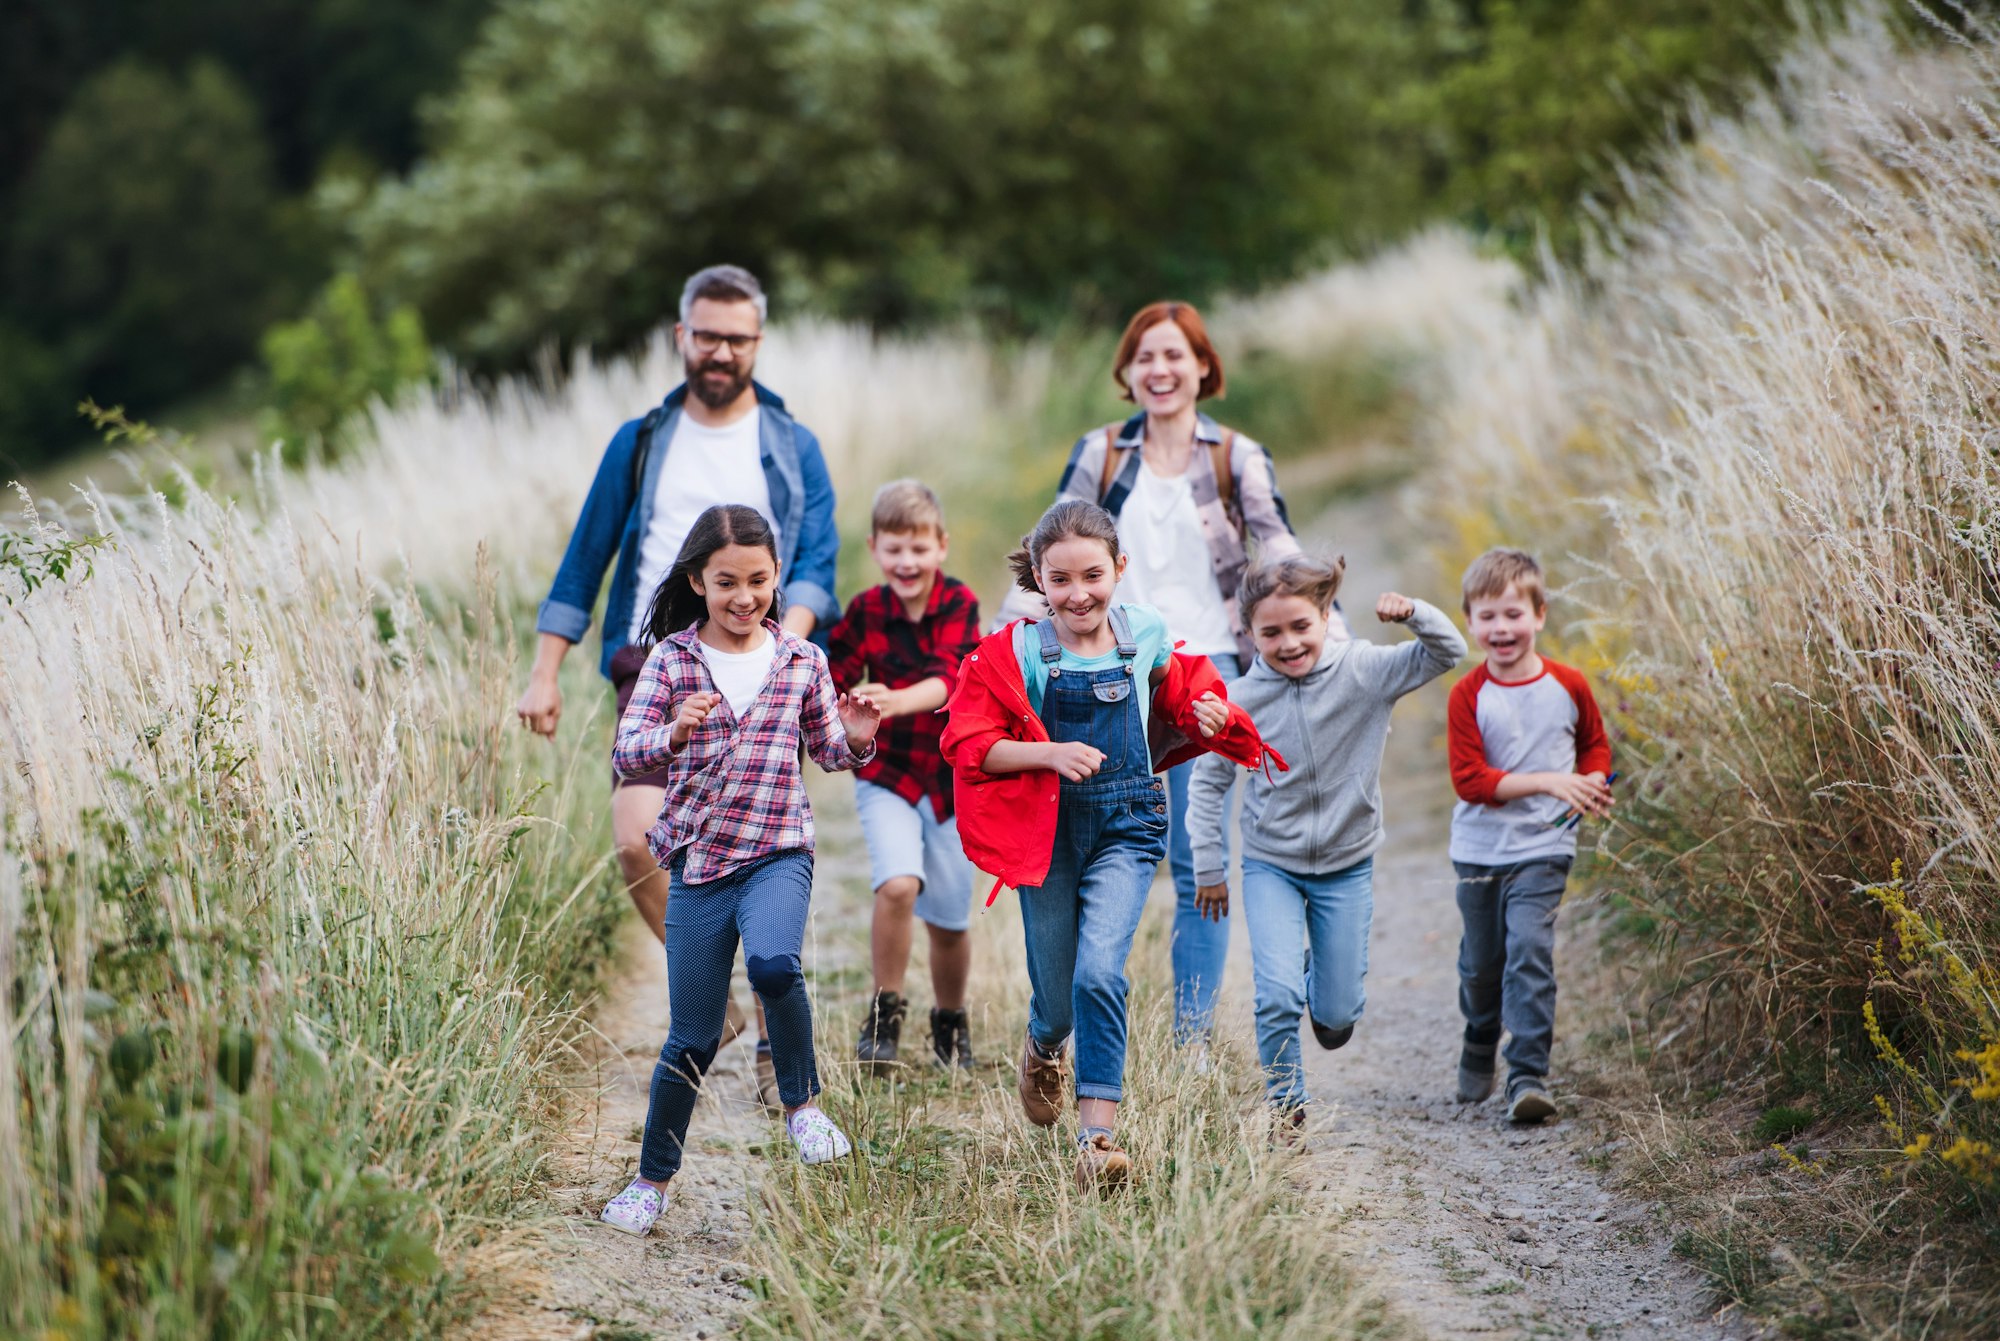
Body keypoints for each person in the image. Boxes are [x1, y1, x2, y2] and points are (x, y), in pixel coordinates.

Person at [515, 264, 840, 1108]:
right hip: (652, 662)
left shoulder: (792, 445)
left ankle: (776, 1034)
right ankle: (716, 1003)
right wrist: (545, 670)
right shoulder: (643, 439)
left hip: (765, 672)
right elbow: (586, 557)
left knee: (761, 847)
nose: (722, 351)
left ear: (757, 341)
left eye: (738, 337)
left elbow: (815, 569)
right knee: (637, 840)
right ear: (681, 337)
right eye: (708, 335)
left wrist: (777, 658)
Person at [942, 500, 1283, 1192]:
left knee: (1101, 969)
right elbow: (967, 743)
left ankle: (1097, 1134)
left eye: (1093, 575)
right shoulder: (1015, 652)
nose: (1078, 594)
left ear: (1119, 569)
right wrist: (1046, 754)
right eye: (1060, 579)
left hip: (1128, 823)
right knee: (1058, 995)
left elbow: (1183, 691)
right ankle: (1043, 1044)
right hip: (1048, 833)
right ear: (1038, 577)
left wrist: (1206, 710)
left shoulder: (1146, 633)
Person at [1000, 301, 1301, 1052]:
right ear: (1127, 374)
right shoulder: (1100, 454)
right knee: (1087, 833)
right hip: (1109, 671)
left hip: (1208, 673)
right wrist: (1005, 642)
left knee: (1199, 850)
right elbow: (1049, 545)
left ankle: (1192, 1039)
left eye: (1175, 356)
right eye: (1145, 358)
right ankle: (1073, 1002)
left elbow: (1279, 548)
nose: (1160, 370)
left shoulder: (1238, 456)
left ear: (1203, 366)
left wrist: (1332, 644)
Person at [598, 505, 879, 1236]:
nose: (745, 596)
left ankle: (803, 1107)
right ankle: (650, 1182)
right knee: (689, 1037)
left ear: (776, 577)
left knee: (777, 964)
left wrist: (857, 738)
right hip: (699, 862)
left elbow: (829, 752)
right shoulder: (671, 660)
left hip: (778, 849)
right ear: (698, 580)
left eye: (759, 580)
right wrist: (674, 729)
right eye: (727, 582)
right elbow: (628, 753)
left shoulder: (800, 659)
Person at [1185, 556, 1463, 1138]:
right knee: (1275, 995)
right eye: (1271, 633)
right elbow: (1208, 785)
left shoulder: (1363, 671)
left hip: (1346, 864)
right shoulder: (1237, 701)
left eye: (1300, 627)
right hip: (1270, 866)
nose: (1288, 643)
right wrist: (1208, 866)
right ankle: (1286, 1106)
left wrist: (1415, 614)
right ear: (1248, 634)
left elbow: (1447, 653)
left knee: (1336, 1016)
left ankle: (1321, 986)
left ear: (1326, 615)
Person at [1446, 548, 1613, 1124]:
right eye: (1487, 616)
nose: (1501, 628)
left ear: (1540, 615)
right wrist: (1551, 780)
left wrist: (1591, 779)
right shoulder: (1468, 695)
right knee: (1481, 966)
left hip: (1545, 845)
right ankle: (1480, 1031)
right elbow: (1470, 781)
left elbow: (1594, 744)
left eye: (1513, 614)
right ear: (1469, 622)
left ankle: (1527, 1075)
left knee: (1529, 954)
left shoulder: (1568, 684)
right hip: (1478, 851)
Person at [826, 480, 983, 1072]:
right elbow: (833, 673)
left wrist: (891, 699)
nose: (907, 562)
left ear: (941, 546)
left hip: (950, 779)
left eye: (918, 548)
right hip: (886, 772)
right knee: (897, 884)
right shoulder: (865, 611)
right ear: (874, 548)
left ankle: (951, 1021)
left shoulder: (960, 603)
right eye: (894, 549)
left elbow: (951, 678)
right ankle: (885, 1011)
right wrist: (844, 709)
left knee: (948, 917)